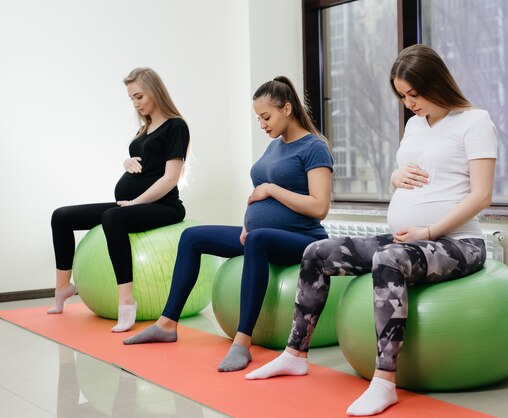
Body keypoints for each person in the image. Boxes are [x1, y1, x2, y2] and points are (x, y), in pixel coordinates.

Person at [244, 44, 498, 416]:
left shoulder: (476, 122)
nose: (409, 103)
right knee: (317, 252)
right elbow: (406, 179)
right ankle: (294, 354)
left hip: (459, 242)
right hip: (408, 236)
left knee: (389, 258)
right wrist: (396, 177)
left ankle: (384, 382)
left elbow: (481, 195)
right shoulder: (415, 125)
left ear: (437, 83)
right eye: (402, 95)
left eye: (414, 93)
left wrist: (428, 232)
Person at [123, 76, 334, 372]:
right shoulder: (275, 146)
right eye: (258, 118)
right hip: (261, 235)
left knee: (258, 240)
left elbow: (319, 206)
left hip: (303, 239)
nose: (262, 125)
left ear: (287, 109)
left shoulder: (314, 147)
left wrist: (271, 191)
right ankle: (167, 324)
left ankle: (242, 344)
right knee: (192, 237)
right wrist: (250, 222)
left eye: (266, 117)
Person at [49, 67, 190, 334]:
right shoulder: (145, 130)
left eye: (139, 96)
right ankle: (62, 288)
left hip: (164, 207)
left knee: (112, 217)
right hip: (132, 203)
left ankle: (126, 302)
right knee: (61, 216)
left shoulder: (175, 126)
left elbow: (171, 178)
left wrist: (136, 203)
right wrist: (127, 162)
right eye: (131, 98)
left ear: (155, 92)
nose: (136, 104)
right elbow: (146, 164)